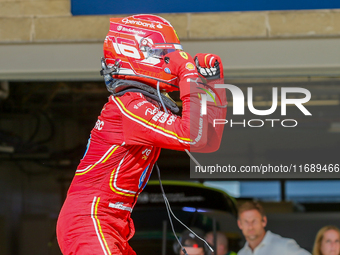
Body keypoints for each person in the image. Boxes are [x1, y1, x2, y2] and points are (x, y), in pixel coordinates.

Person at [56, 14, 227, 255]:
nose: (172, 60)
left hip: (114, 223)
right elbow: (193, 136)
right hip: (90, 218)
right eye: (164, 54)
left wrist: (212, 85)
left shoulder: (140, 105)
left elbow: (208, 141)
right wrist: (189, 74)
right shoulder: (129, 106)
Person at [237, 201, 311, 255]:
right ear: (240, 224)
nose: (250, 226)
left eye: (254, 221)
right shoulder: (242, 253)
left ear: (264, 221)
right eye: (246, 221)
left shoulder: (284, 246)